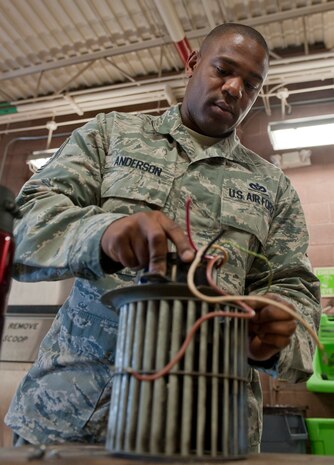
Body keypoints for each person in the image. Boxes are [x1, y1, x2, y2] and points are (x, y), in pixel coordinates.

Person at [5, 23, 321, 452]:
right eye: (223, 70)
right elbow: (22, 224)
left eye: (251, 84)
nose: (233, 89)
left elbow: (294, 289)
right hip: (74, 415)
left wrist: (272, 337)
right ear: (192, 64)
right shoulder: (110, 137)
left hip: (207, 432)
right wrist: (104, 233)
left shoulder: (272, 188)